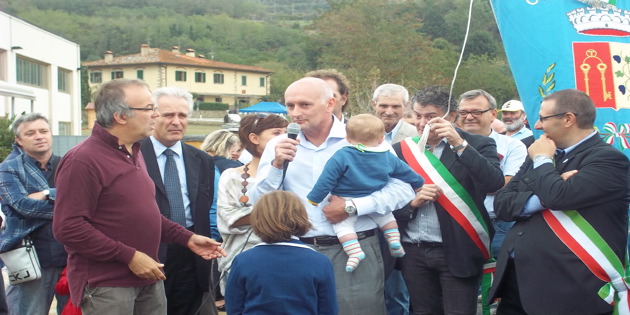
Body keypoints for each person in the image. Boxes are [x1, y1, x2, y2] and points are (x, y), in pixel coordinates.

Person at [53, 79, 226, 315]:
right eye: (148, 108)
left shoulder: (132, 152)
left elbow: (146, 214)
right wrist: (130, 256)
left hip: (148, 278)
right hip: (109, 285)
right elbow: (68, 227)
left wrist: (187, 238)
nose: (155, 115)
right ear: (120, 116)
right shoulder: (83, 159)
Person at [249, 77, 415, 314]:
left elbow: (403, 188)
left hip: (355, 249)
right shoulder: (280, 144)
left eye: (305, 105)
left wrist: (354, 206)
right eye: (290, 105)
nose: (295, 113)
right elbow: (259, 202)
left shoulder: (362, 136)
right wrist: (276, 166)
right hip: (297, 250)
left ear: (329, 104)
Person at [489, 89, 630, 315]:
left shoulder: (607, 159)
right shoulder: (539, 153)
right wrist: (540, 197)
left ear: (568, 119)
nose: (536, 125)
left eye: (543, 118)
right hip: (518, 283)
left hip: (566, 288)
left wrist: (544, 162)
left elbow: (559, 197)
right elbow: (503, 205)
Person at [391, 86, 504, 315]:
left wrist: (458, 143)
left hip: (457, 249)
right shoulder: (401, 150)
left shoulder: (478, 144)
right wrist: (412, 203)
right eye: (417, 115)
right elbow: (388, 201)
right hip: (413, 250)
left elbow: (493, 182)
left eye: (431, 116)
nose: (422, 123)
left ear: (450, 117)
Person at [307, 114, 424, 272]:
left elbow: (326, 180)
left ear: (347, 138)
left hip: (346, 196)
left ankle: (354, 253)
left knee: (343, 227)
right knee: (386, 217)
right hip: (374, 196)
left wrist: (314, 198)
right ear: (381, 138)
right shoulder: (387, 155)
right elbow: (406, 173)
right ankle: (394, 241)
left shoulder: (342, 155)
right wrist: (419, 184)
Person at [139, 87, 215, 315]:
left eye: (182, 116)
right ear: (153, 116)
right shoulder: (134, 155)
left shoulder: (201, 160)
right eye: (168, 115)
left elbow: (204, 206)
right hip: (150, 251)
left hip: (192, 250)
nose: (176, 122)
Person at [225, 190, 337, 315]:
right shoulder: (320, 262)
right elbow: (328, 309)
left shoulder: (243, 260)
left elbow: (234, 308)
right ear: (301, 216)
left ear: (257, 220)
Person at [0, 113, 68, 314]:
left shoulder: (68, 164)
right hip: (31, 256)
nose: (39, 136)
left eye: (43, 131)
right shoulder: (8, 168)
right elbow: (22, 206)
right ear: (19, 140)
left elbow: (86, 201)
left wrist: (46, 194)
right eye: (31, 133)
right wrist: (64, 203)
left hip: (70, 255)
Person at [216, 113, 288, 294]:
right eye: (277, 132)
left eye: (287, 132)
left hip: (287, 260)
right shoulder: (232, 176)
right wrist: (278, 213)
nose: (285, 137)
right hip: (243, 260)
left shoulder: (295, 173)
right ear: (254, 138)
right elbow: (228, 219)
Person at [458, 89, 527, 258]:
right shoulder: (443, 145)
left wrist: (461, 185)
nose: (469, 117)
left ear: (493, 114)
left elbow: (509, 184)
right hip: (456, 224)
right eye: (463, 112)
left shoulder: (513, 146)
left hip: (498, 225)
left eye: (476, 112)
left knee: (497, 281)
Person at [371, 83, 417, 315]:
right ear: (374, 105)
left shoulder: (416, 135)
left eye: (395, 106)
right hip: (365, 220)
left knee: (397, 289)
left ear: (406, 107)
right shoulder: (357, 131)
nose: (389, 111)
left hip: (402, 221)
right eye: (384, 105)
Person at [200, 129, 243, 310]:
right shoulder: (232, 167)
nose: (238, 153)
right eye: (236, 148)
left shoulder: (196, 160)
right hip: (218, 225)